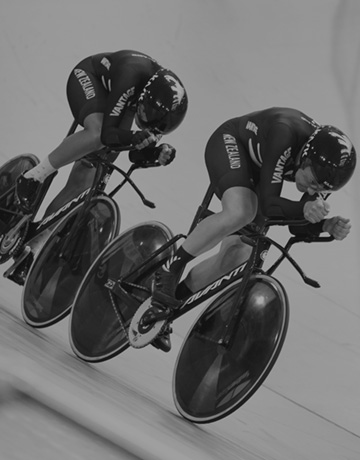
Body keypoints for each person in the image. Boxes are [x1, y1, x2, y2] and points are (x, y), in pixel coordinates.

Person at [151, 107, 357, 352]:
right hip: (231, 144)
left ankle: (166, 308)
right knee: (241, 210)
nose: (312, 192)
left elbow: (295, 227)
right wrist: (304, 210)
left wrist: (324, 225)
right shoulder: (285, 133)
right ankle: (170, 268)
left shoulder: (320, 173)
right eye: (312, 183)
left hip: (261, 173)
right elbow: (270, 205)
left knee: (239, 256)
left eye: (319, 189)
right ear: (306, 158)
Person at [15, 49, 188, 214]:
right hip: (91, 77)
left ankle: (41, 239)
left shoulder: (159, 108)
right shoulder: (131, 74)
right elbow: (106, 135)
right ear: (145, 98)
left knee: (94, 174)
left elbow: (133, 155)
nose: (146, 124)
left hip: (125, 99)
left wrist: (155, 153)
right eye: (145, 115)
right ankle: (33, 177)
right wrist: (133, 136)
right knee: (97, 134)